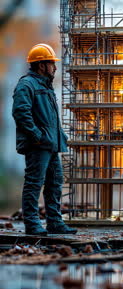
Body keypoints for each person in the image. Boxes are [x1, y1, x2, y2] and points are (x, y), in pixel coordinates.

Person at [12, 43, 77, 235]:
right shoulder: (27, 85)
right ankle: (32, 225)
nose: (55, 67)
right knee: (34, 183)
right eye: (52, 64)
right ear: (41, 65)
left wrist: (58, 138)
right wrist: (36, 136)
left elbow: (48, 118)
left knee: (55, 183)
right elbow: (20, 112)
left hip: (50, 144)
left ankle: (55, 222)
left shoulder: (44, 86)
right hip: (38, 145)